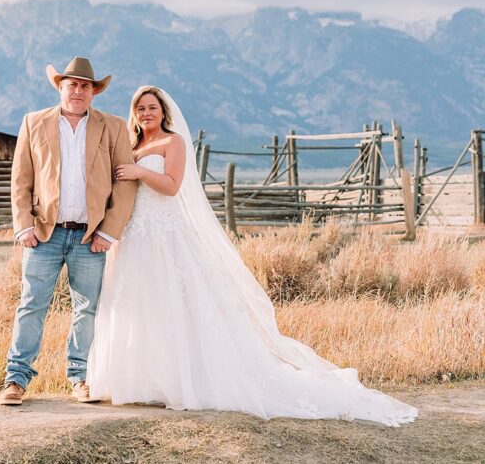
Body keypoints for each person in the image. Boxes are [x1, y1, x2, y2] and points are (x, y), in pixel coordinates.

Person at [87, 86, 418, 426]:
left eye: (152, 107)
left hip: (165, 236)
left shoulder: (173, 143)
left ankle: (179, 381)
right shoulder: (131, 145)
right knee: (140, 306)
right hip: (134, 236)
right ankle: (143, 379)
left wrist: (141, 172)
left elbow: (172, 186)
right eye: (140, 108)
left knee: (174, 305)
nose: (146, 113)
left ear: (163, 112)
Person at [0, 57, 137, 406]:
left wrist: (109, 231)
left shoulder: (114, 127)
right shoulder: (33, 123)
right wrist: (23, 225)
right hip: (44, 233)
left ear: (93, 92)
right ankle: (15, 379)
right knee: (31, 305)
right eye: (71, 84)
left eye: (85, 86)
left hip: (90, 237)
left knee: (87, 308)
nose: (78, 91)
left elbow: (125, 185)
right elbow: (21, 178)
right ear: (60, 87)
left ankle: (80, 378)